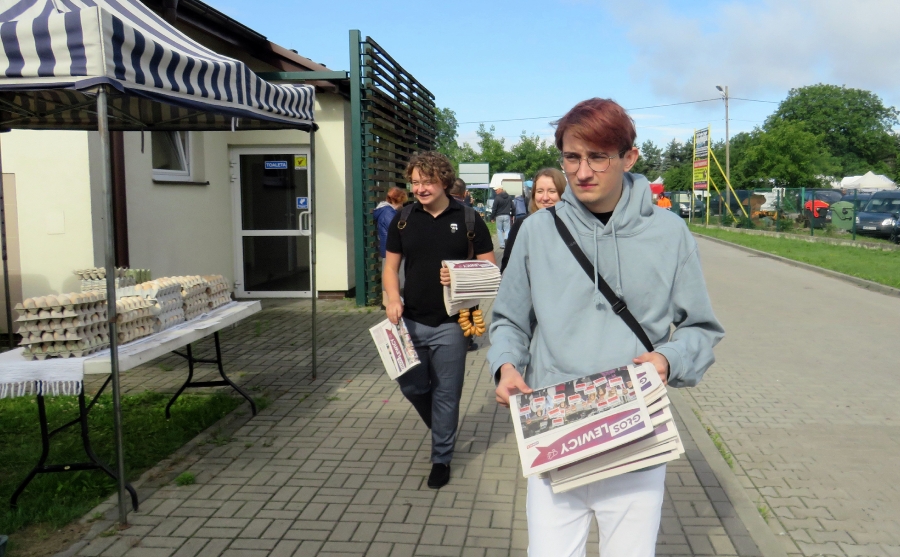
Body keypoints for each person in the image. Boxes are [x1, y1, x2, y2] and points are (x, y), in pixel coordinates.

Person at [488, 98, 724, 557]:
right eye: (571, 157)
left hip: (635, 430)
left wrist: (668, 359)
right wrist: (506, 365)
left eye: (598, 157)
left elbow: (701, 328)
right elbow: (509, 319)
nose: (582, 172)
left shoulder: (670, 233)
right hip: (555, 428)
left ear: (629, 157)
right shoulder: (537, 231)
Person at [383, 151, 496, 489]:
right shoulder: (403, 218)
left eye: (427, 181)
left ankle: (441, 458)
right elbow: (390, 267)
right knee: (411, 385)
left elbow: (490, 269)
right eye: (415, 182)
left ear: (444, 181)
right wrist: (392, 298)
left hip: (453, 322)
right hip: (410, 321)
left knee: (447, 393)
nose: (420, 188)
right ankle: (442, 424)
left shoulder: (470, 219)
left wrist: (460, 274)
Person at [500, 168, 567, 272]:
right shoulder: (522, 224)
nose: (545, 198)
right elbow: (508, 265)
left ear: (563, 193)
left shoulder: (573, 225)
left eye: (552, 191)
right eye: (540, 191)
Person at [374, 187, 409, 307]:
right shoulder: (389, 213)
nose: (402, 205)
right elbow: (398, 231)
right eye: (402, 201)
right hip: (392, 251)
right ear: (397, 200)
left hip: (386, 250)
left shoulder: (383, 210)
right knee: (396, 280)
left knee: (388, 280)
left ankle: (387, 305)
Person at [490, 184, 514, 249]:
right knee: (507, 229)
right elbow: (513, 207)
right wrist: (512, 215)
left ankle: (502, 245)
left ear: (500, 189)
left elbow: (494, 208)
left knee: (499, 230)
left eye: (496, 190)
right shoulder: (509, 197)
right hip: (507, 215)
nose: (495, 191)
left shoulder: (497, 198)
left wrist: (492, 217)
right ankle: (506, 239)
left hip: (499, 216)